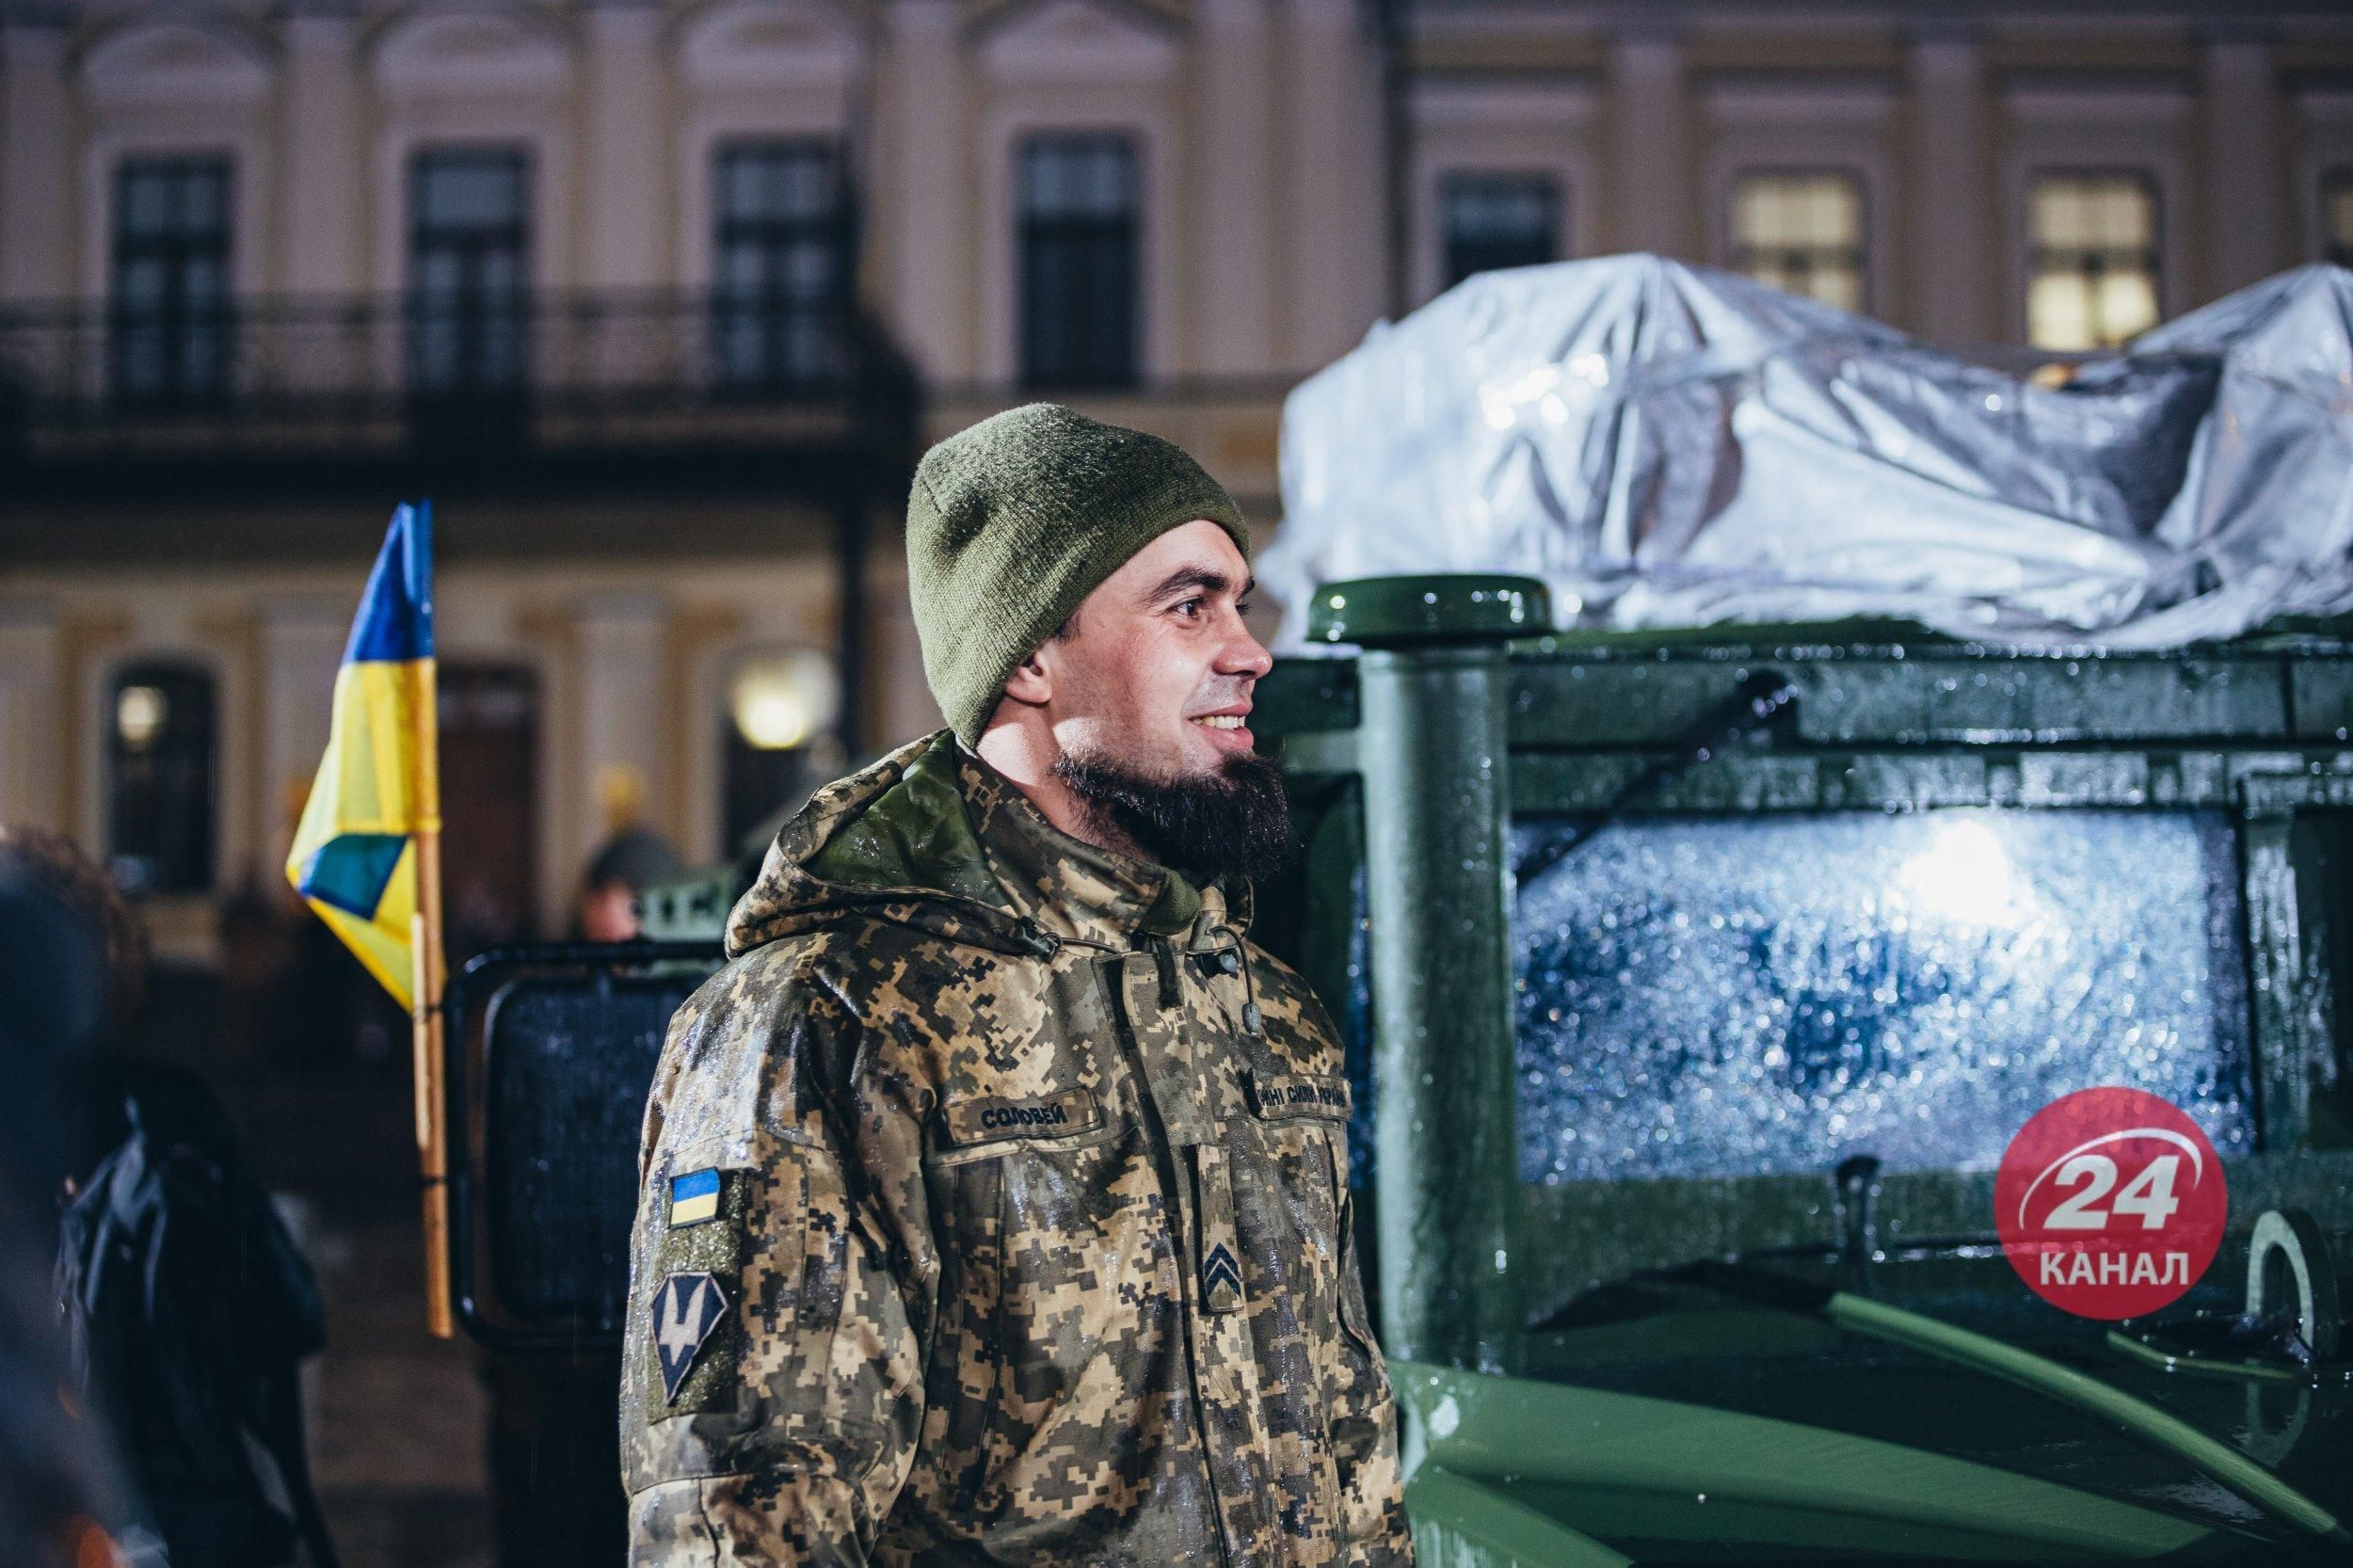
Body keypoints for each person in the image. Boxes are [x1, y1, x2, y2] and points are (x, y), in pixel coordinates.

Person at [620, 404, 1412, 1564]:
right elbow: (739, 1522)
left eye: (1239, 604)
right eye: (1189, 605)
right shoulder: (828, 1019)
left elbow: (1352, 1453)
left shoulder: (1260, 1010)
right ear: (1032, 656)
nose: (1250, 651)